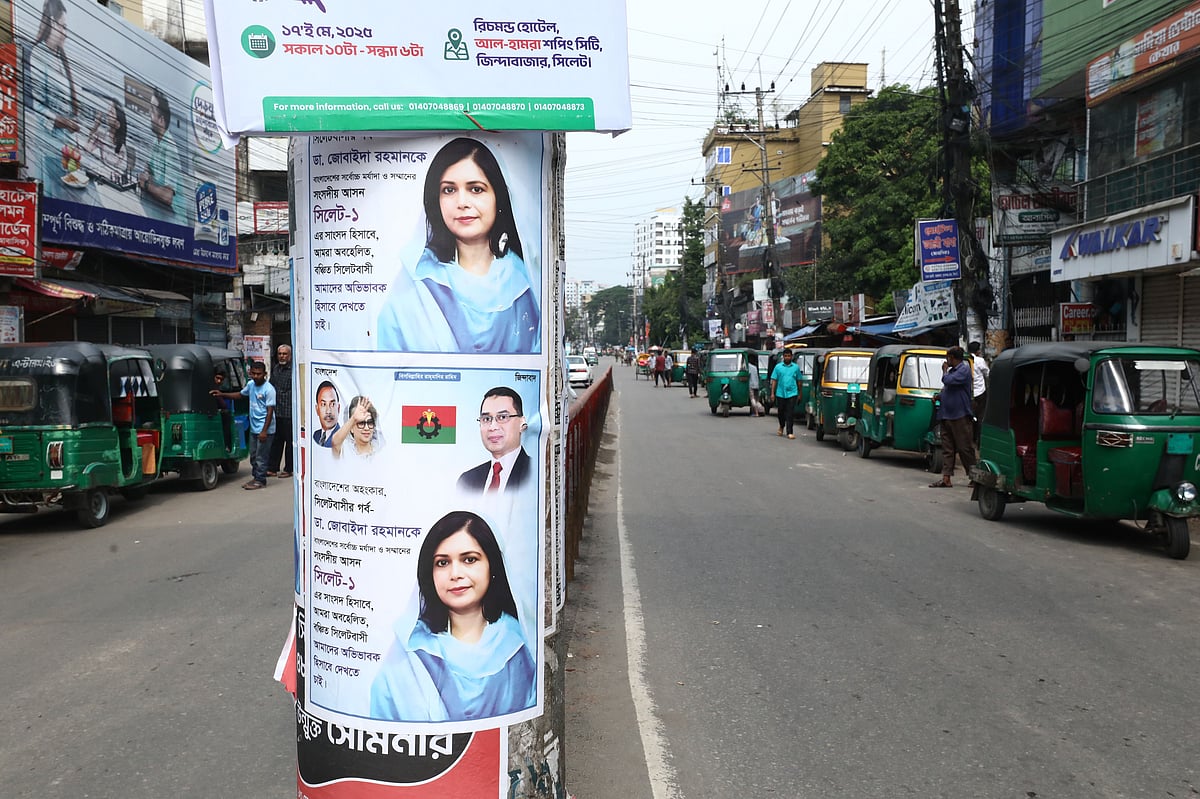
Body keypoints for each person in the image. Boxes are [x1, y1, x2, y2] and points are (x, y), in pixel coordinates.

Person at [377, 137, 540, 353]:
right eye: (449, 190)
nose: (462, 202)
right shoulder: (415, 281)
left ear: (498, 197)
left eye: (476, 189)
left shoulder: (525, 282)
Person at [370, 511, 535, 722]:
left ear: (492, 566)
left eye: (469, 559)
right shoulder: (410, 649)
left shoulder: (518, 644)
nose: (455, 573)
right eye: (442, 563)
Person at [211, 360, 275, 489]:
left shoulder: (269, 389)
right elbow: (240, 395)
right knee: (253, 455)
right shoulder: (251, 385)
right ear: (250, 373)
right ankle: (256, 477)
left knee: (261, 457)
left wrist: (264, 431)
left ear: (265, 374)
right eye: (254, 374)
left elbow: (270, 412)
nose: (256, 376)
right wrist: (222, 394)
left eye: (259, 374)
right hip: (254, 427)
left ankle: (260, 480)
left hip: (265, 429)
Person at [458, 386, 531, 495]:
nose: (493, 427)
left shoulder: (535, 471)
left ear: (522, 423)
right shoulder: (467, 480)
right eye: (486, 419)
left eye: (502, 417)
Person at [26, 0, 80, 147]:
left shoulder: (61, 58)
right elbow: (38, 106)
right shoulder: (38, 54)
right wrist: (62, 121)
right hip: (47, 145)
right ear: (52, 22)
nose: (65, 33)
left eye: (66, 28)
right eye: (63, 27)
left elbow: (71, 106)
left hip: (67, 148)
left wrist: (73, 122)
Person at [930, 345, 975, 488]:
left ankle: (974, 477)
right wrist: (939, 396)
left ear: (951, 358)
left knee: (964, 448)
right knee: (947, 449)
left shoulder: (963, 370)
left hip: (960, 415)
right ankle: (946, 478)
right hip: (946, 415)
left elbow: (948, 381)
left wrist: (944, 371)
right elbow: (947, 389)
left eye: (947, 357)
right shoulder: (953, 372)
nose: (946, 360)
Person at [138, 87, 181, 214]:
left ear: (161, 120)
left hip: (172, 218)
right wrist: (146, 179)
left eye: (152, 111)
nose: (149, 115)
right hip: (157, 207)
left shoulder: (170, 147)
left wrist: (146, 185)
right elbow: (147, 171)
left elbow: (167, 197)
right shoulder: (156, 142)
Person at [84, 96, 130, 175]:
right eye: (108, 111)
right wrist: (96, 125)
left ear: (117, 124)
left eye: (111, 112)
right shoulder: (102, 135)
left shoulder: (121, 147)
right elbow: (86, 149)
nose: (107, 114)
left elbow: (120, 171)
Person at [267, 344, 294, 478]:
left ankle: (289, 469)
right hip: (276, 411)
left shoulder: (293, 370)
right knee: (276, 441)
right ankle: (272, 468)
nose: (282, 356)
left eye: (284, 354)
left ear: (290, 355)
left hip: (289, 412)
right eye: (280, 354)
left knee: (289, 442)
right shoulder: (276, 369)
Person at [330, 395, 384, 460]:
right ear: (351, 428)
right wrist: (354, 418)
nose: (366, 428)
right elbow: (335, 442)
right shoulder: (346, 452)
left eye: (370, 423)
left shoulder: (381, 450)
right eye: (361, 423)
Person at [769, 347, 801, 439]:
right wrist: (772, 393)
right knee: (781, 412)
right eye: (785, 356)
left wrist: (800, 393)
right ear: (783, 357)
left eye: (789, 356)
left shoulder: (795, 367)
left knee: (790, 413)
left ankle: (790, 432)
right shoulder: (778, 367)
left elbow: (799, 381)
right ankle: (781, 426)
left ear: (791, 357)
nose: (787, 358)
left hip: (792, 393)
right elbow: (774, 380)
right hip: (780, 393)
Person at [968, 340, 989, 445]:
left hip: (968, 394)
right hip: (980, 393)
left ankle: (969, 441)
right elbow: (987, 373)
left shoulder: (966, 360)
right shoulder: (980, 361)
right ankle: (979, 442)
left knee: (968, 418)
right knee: (981, 417)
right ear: (977, 351)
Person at [312, 381, 341, 447]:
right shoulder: (316, 436)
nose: (328, 411)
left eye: (332, 404)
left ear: (338, 408)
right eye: (323, 404)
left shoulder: (342, 437)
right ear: (317, 409)